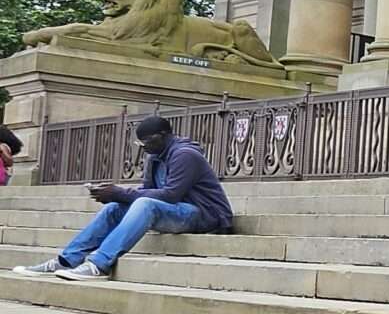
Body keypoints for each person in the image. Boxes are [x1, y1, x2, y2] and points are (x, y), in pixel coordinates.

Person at [10, 115, 233, 282]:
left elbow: (170, 194)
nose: (144, 147)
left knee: (143, 203)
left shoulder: (185, 155)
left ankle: (99, 265)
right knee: (115, 208)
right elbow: (149, 190)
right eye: (140, 144)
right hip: (177, 211)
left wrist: (121, 193)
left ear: (164, 135)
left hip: (204, 216)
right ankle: (66, 260)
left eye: (148, 141)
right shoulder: (155, 156)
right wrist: (114, 196)